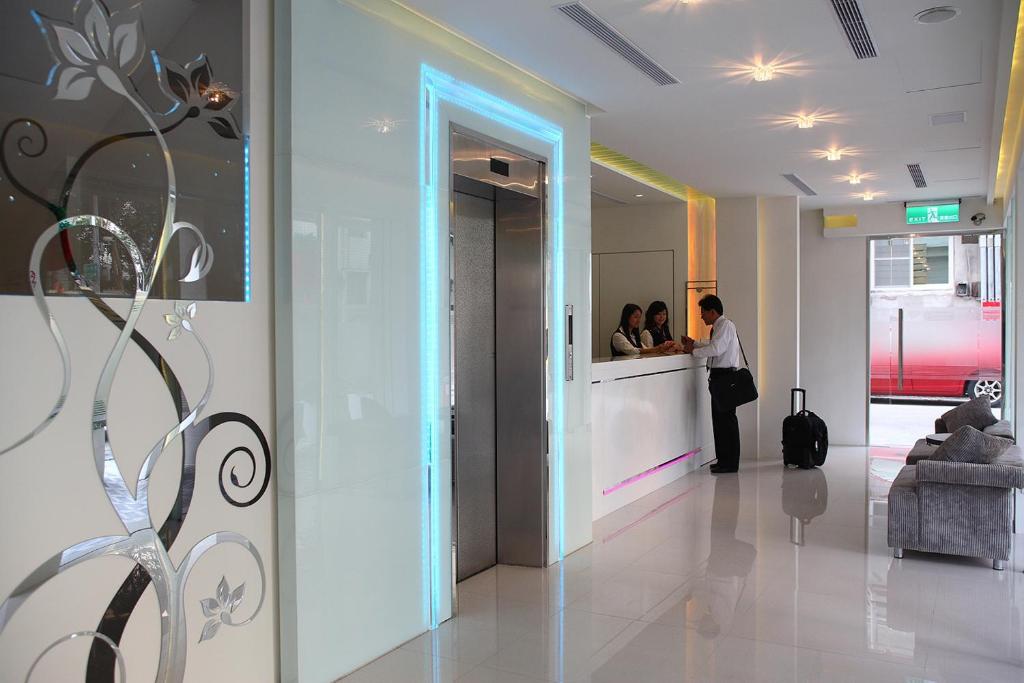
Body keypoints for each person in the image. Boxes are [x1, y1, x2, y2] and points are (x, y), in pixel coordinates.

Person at [681, 294, 743, 473]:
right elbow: (713, 343)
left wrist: (692, 350)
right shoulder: (721, 326)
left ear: (713, 312)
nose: (701, 316)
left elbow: (717, 349)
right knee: (720, 421)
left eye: (703, 312)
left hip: (724, 378)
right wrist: (696, 343)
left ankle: (729, 463)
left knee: (726, 422)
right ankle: (724, 460)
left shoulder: (725, 325)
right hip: (721, 378)